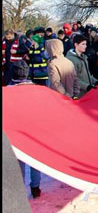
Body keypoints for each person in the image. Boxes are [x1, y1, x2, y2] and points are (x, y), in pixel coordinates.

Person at [6, 61, 42, 199]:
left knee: (18, 161)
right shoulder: (36, 90)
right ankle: (35, 187)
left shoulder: (7, 92)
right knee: (35, 160)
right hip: (34, 131)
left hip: (15, 133)